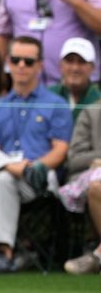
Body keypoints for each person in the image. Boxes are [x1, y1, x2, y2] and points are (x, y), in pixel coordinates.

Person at [0, 36, 72, 275]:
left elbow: (60, 151)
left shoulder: (56, 103)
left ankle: (3, 251)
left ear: (40, 65)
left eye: (28, 61)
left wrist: (35, 166)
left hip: (39, 176)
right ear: (8, 63)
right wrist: (13, 166)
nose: (21, 66)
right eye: (16, 60)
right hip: (7, 173)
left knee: (3, 177)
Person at [60, 100, 101, 274]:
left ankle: (97, 256)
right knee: (97, 187)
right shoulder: (91, 112)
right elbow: (74, 159)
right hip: (93, 178)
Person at [48, 38, 100, 120]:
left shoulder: (98, 99)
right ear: (61, 65)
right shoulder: (48, 95)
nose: (75, 68)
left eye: (82, 62)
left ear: (92, 67)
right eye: (70, 61)